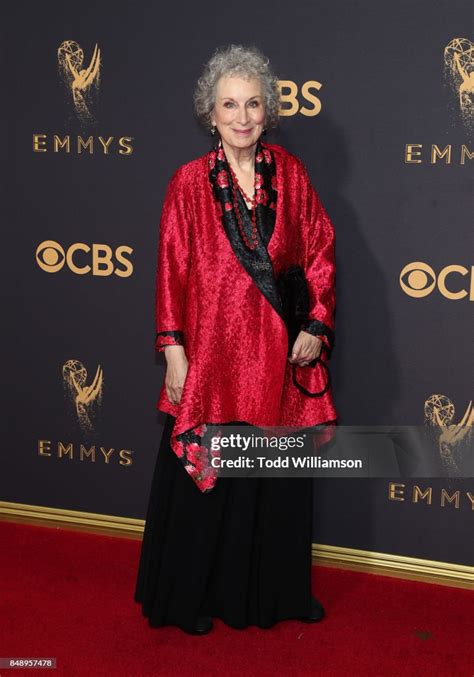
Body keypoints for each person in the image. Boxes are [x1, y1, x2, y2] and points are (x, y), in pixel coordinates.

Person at [134, 43, 337, 635]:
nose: (243, 117)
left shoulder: (292, 175)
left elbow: (320, 249)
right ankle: (190, 598)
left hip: (277, 356)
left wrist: (315, 324)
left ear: (267, 110)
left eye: (253, 104)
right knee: (209, 480)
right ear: (211, 113)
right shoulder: (189, 183)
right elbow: (170, 269)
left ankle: (271, 595)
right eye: (230, 105)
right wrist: (174, 350)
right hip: (215, 357)